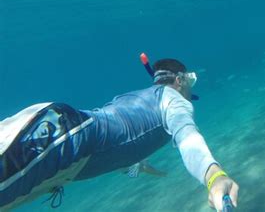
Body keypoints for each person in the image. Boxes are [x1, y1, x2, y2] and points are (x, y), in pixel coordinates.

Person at [0, 56, 239, 211]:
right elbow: (188, 136)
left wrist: (138, 164)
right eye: (191, 81)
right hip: (62, 141)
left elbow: (117, 137)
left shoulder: (132, 98)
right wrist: (214, 177)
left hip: (53, 129)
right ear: (180, 80)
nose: (190, 88)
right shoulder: (174, 100)